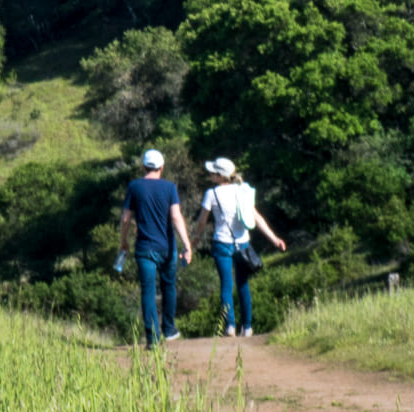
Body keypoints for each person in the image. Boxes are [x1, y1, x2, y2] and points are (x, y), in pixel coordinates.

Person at [198, 157, 288, 337]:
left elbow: (202, 221)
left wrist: (194, 240)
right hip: (242, 244)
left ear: (219, 175)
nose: (210, 175)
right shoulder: (242, 191)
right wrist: (274, 238)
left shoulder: (211, 194)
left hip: (221, 243)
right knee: (243, 285)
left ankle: (230, 326)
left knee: (226, 285)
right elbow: (256, 218)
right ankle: (247, 327)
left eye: (213, 172)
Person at [116, 149, 193, 349]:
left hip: (144, 247)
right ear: (161, 167)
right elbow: (176, 217)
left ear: (143, 166)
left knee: (148, 292)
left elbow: (125, 218)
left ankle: (152, 338)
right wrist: (187, 244)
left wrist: (123, 241)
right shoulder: (170, 188)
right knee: (168, 287)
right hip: (167, 247)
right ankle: (169, 329)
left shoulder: (134, 187)